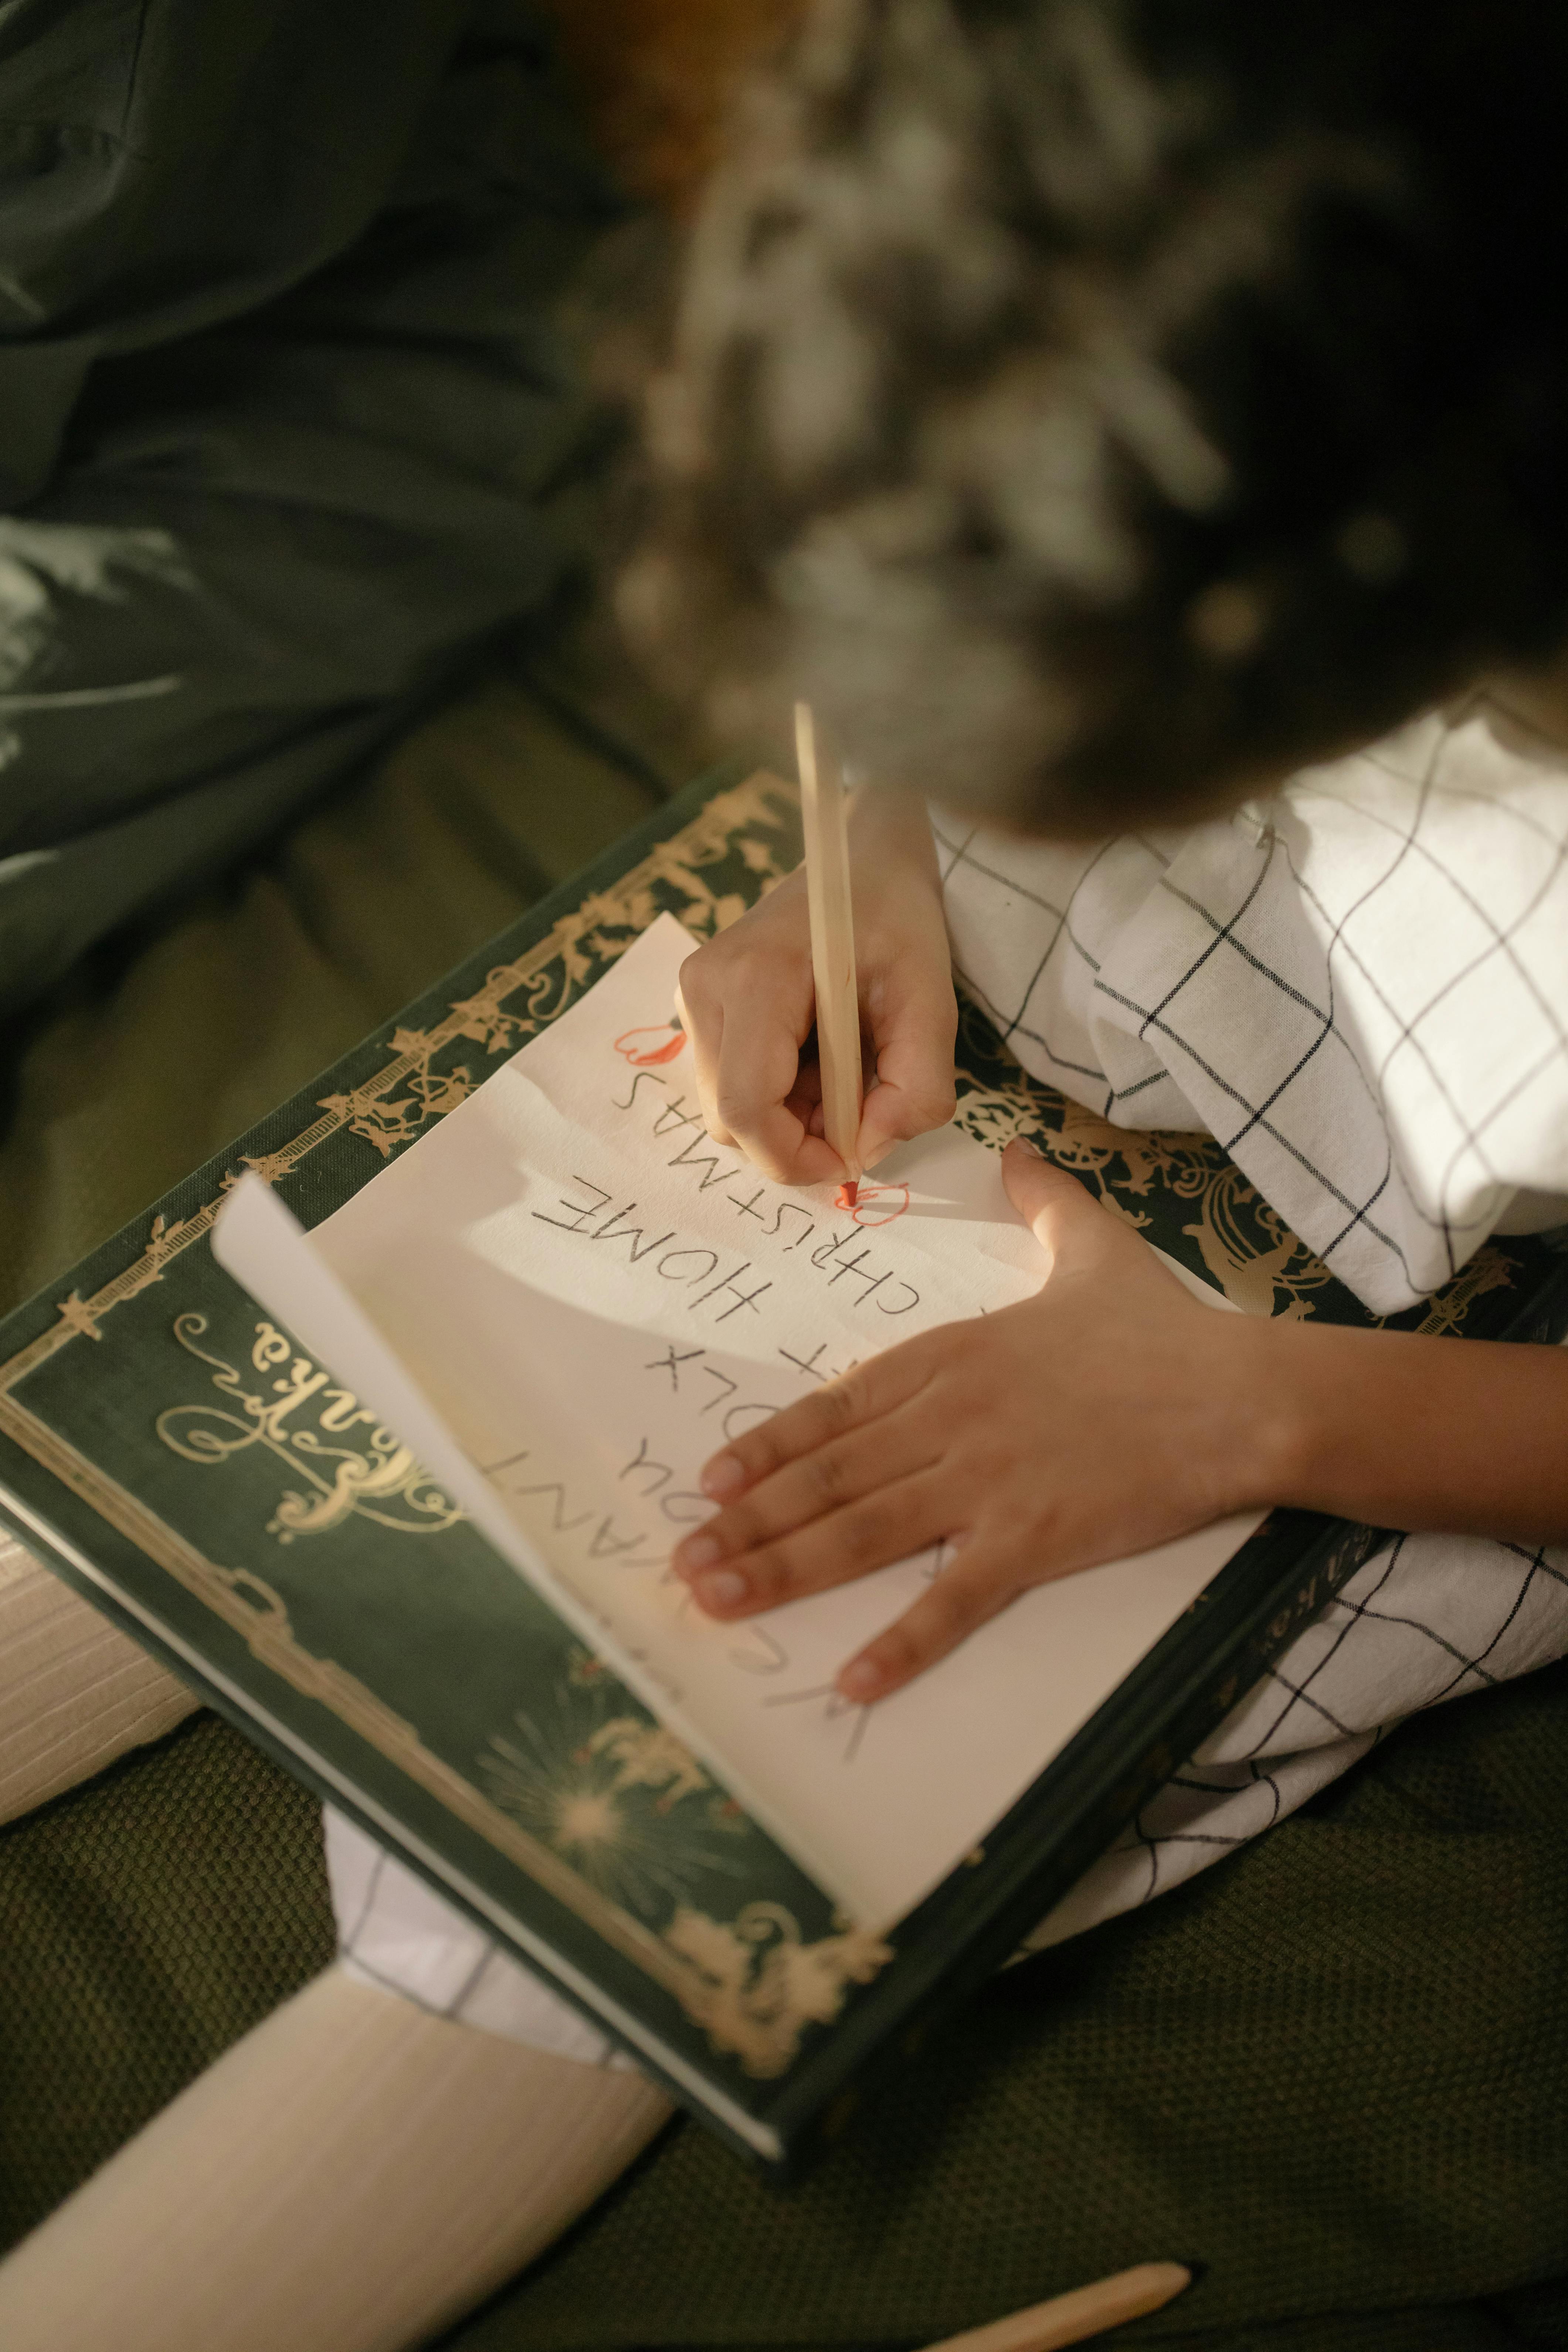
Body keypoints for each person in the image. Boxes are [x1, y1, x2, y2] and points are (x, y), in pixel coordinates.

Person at [3, 3, 1567, 2347]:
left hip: (1384, 1322)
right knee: (211, 1431)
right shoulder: (1075, 137)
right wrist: (864, 821)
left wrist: (1256, 1411)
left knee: (626, 1873)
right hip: (999, 953)